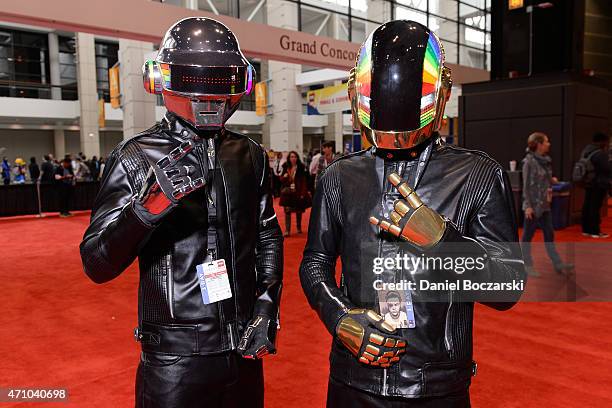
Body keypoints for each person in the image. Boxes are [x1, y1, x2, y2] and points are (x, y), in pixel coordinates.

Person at [300, 20, 525, 407]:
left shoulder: (477, 175)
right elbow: (315, 263)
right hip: (354, 377)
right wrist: (339, 317)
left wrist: (443, 240)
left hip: (436, 386)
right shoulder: (339, 175)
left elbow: (507, 286)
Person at [80, 17, 283, 408]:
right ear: (161, 80)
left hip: (243, 349)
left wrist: (267, 307)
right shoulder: (135, 157)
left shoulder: (249, 154)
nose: (209, 96)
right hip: (174, 361)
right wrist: (146, 209)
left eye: (222, 81)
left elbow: (266, 234)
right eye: (194, 79)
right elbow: (96, 263)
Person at [521, 132, 574, 277]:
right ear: (538, 144)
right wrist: (528, 206)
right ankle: (527, 265)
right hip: (532, 207)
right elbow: (525, 186)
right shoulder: (528, 162)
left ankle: (558, 264)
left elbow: (548, 180)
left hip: (545, 205)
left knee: (549, 235)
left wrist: (556, 182)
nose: (549, 144)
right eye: (546, 141)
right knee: (527, 237)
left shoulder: (545, 161)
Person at [580, 132, 611, 238]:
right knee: (595, 207)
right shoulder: (600, 153)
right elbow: (607, 168)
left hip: (588, 182)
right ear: (602, 141)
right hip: (598, 183)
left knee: (587, 205)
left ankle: (586, 229)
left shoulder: (586, 151)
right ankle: (595, 231)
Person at [279, 151, 311, 236]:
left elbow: (304, 181)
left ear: (297, 158)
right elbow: (281, 180)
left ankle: (299, 227)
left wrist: (303, 193)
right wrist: (284, 177)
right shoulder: (285, 167)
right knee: (287, 211)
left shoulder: (301, 167)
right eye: (291, 157)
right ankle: (287, 230)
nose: (293, 158)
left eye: (295, 157)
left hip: (298, 191)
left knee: (299, 210)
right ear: (289, 158)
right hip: (287, 192)